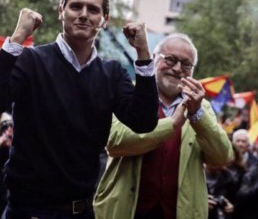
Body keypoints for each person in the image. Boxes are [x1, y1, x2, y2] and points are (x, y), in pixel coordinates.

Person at [0, 0, 159, 218]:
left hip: (81, 211)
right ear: (61, 11)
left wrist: (144, 56)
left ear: (104, 19)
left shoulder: (112, 74)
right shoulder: (31, 61)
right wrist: (18, 37)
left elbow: (144, 122)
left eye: (93, 9)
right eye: (75, 6)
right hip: (28, 211)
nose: (83, 14)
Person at [93, 33, 233, 219]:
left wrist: (197, 115)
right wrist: (171, 124)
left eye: (186, 64)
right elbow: (115, 142)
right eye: (170, 59)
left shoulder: (200, 106)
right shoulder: (129, 92)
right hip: (126, 210)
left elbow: (222, 157)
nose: (177, 69)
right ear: (153, 59)